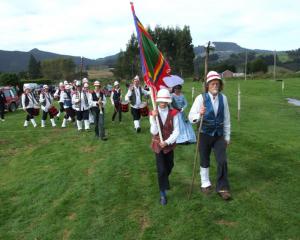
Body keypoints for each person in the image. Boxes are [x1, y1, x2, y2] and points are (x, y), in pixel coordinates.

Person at [188, 71, 231, 200]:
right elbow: (190, 117)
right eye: (212, 83)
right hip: (204, 133)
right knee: (204, 159)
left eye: (217, 83)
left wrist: (227, 136)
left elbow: (227, 119)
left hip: (219, 135)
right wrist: (199, 114)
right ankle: (205, 183)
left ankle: (222, 187)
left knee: (222, 160)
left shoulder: (224, 98)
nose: (215, 85)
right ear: (207, 85)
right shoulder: (200, 98)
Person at [149, 88, 180, 205]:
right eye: (160, 100)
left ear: (168, 101)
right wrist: (154, 118)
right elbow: (153, 131)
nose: (162, 103)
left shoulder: (174, 113)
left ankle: (164, 180)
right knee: (161, 170)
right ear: (157, 101)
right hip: (158, 145)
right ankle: (162, 193)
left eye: (165, 100)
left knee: (170, 165)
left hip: (169, 145)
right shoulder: (153, 113)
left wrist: (167, 142)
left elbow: (177, 131)